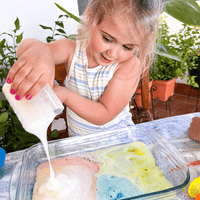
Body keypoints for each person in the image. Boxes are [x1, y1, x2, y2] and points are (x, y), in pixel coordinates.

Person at [6, 0, 164, 136]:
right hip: (80, 143)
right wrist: (42, 53)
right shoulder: (71, 50)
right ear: (91, 17)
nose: (113, 53)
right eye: (107, 38)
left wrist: (66, 95)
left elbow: (105, 113)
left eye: (128, 47)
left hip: (119, 143)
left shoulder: (128, 66)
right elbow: (24, 48)